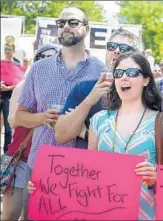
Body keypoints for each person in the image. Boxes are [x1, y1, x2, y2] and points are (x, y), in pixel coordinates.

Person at [14, 6, 106, 219]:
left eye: (73, 23)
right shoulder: (39, 69)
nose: (65, 27)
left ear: (87, 28)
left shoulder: (102, 71)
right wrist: (41, 117)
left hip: (82, 170)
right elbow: (19, 116)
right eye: (61, 23)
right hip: (40, 164)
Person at [89, 52, 163, 220]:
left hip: (146, 215)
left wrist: (157, 177)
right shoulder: (98, 121)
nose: (124, 78)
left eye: (131, 73)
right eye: (118, 73)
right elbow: (85, 176)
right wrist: (44, 186)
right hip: (102, 214)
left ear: (146, 80)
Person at [1, 44, 59, 221]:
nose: (46, 62)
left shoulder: (62, 89)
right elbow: (13, 120)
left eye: (52, 58)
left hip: (49, 163)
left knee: (35, 215)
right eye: (42, 58)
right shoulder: (24, 85)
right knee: (11, 214)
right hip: (22, 158)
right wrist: (41, 116)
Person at [55, 27, 139, 148]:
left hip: (123, 165)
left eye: (124, 48)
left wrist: (86, 133)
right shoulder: (84, 88)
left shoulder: (142, 91)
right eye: (111, 46)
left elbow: (137, 142)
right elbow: (61, 135)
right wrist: (89, 101)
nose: (116, 51)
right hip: (86, 166)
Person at [0, 41, 21, 153]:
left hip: (9, 97)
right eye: (5, 49)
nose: (7, 51)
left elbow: (19, 83)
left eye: (9, 49)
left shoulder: (17, 65)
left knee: (8, 129)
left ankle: (6, 155)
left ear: (13, 51)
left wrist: (8, 88)